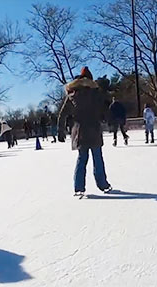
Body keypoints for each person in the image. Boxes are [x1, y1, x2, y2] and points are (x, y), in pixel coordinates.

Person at [58, 67, 112, 196]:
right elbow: (105, 109)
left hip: (80, 130)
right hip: (94, 128)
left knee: (82, 158)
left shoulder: (72, 95)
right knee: (97, 157)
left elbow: (62, 114)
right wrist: (108, 119)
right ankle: (103, 185)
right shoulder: (96, 93)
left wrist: (60, 130)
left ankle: (79, 187)